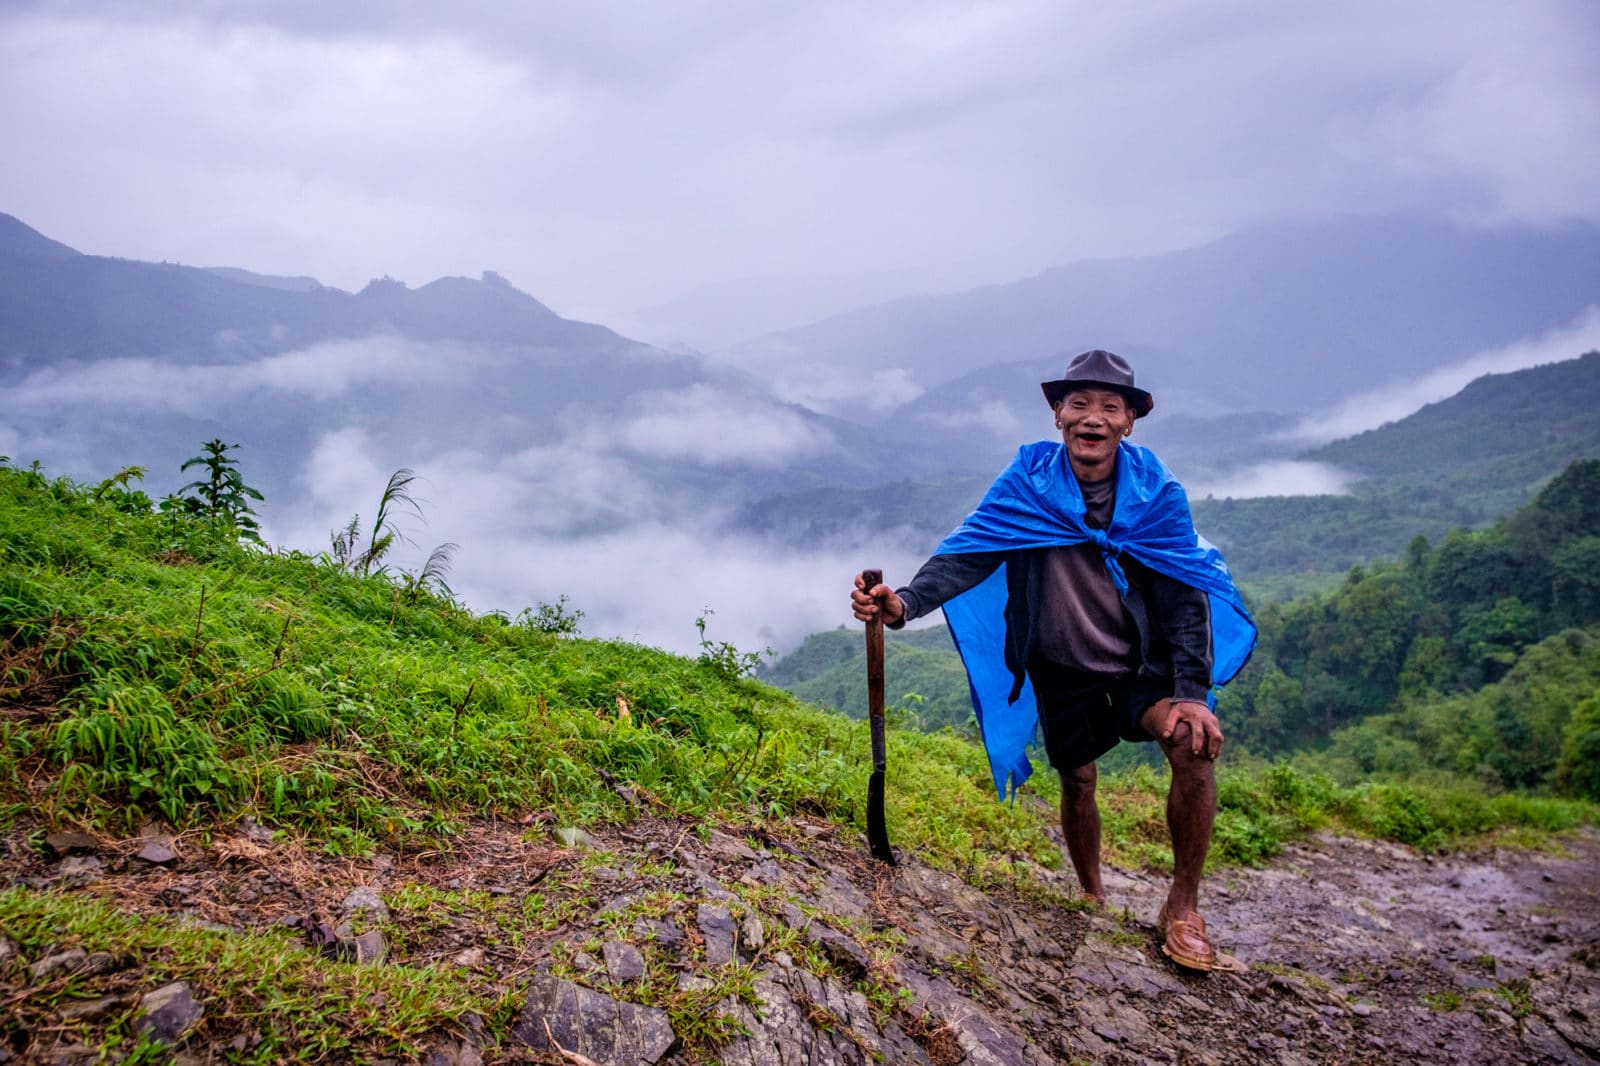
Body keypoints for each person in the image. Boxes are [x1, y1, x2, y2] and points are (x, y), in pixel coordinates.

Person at [850, 349, 1255, 972]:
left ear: (1129, 422)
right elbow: (970, 553)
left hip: (1140, 667)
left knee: (1192, 745)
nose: (1092, 417)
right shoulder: (1027, 484)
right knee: (1078, 778)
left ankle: (1183, 907)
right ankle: (1091, 892)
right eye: (1079, 404)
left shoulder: (1156, 495)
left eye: (1109, 407)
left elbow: (1184, 594)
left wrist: (1194, 694)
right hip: (1061, 664)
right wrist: (903, 603)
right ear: (1057, 414)